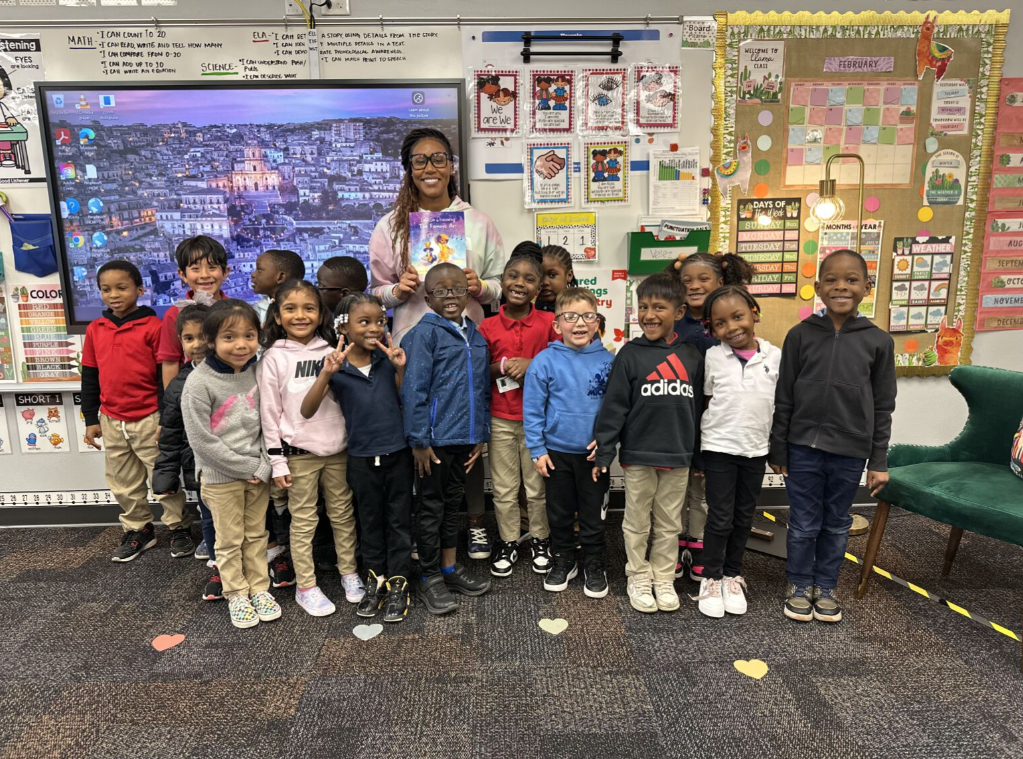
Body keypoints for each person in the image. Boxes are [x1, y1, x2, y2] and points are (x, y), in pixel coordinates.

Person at [369, 127, 505, 559]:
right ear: (408, 170)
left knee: (467, 433)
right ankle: (422, 530)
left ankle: (476, 522)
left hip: (467, 345)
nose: (430, 168)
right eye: (420, 161)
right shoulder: (390, 226)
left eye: (439, 159)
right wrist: (399, 290)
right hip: (413, 346)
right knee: (420, 436)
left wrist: (480, 286)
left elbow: (503, 285)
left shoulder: (478, 223)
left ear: (452, 166)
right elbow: (376, 292)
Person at [770, 249, 896, 624]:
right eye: (832, 279)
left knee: (837, 521)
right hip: (802, 447)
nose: (841, 286)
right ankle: (797, 583)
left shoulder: (878, 341)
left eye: (852, 279)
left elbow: (883, 405)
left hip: (851, 450)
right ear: (817, 288)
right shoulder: (799, 335)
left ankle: (825, 586)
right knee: (804, 521)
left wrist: (879, 460)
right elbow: (784, 395)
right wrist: (779, 444)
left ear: (867, 288)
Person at [593, 272, 703, 614]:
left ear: (679, 312)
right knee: (637, 521)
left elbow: (699, 411)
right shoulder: (629, 355)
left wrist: (698, 457)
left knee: (670, 523)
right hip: (638, 454)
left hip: (679, 455)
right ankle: (637, 575)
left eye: (659, 307)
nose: (649, 315)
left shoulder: (692, 357)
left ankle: (662, 577)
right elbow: (613, 408)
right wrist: (604, 452)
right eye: (643, 307)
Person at [302, 293, 414, 623]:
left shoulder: (387, 360)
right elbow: (307, 410)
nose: (375, 328)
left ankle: (399, 583)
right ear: (344, 327)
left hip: (398, 455)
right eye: (364, 322)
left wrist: (400, 369)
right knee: (369, 523)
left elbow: (402, 399)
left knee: (399, 521)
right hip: (361, 459)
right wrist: (326, 374)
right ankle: (375, 580)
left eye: (380, 321)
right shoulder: (336, 367)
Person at [258, 280, 363, 617]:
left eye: (309, 308)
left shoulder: (333, 350)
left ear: (321, 315)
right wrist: (277, 462)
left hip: (339, 451)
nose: (300, 315)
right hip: (299, 455)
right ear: (277, 314)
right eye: (290, 308)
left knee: (343, 516)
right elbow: (270, 414)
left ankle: (349, 572)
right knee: (303, 521)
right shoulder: (273, 358)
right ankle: (307, 586)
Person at [81, 261, 194, 562]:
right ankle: (138, 528)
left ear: (140, 290)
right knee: (122, 481)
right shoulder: (95, 329)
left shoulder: (154, 326)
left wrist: (164, 417)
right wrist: (91, 419)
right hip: (111, 419)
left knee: (163, 477)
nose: (114, 295)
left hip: (149, 417)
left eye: (122, 287)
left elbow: (164, 375)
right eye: (106, 289)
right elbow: (90, 377)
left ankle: (178, 527)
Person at [181, 300, 280, 630]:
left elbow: (270, 421)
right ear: (210, 340)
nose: (241, 345)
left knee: (256, 535)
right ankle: (236, 592)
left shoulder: (258, 371)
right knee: (228, 539)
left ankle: (259, 588)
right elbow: (202, 442)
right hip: (222, 476)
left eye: (249, 335)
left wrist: (264, 463)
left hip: (258, 473)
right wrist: (248, 467)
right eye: (229, 337)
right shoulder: (199, 383)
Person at [401, 263, 492, 615]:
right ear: (428, 298)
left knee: (453, 506)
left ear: (468, 294)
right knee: (430, 509)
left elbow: (482, 389)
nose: (451, 296)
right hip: (434, 443)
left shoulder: (476, 334)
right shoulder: (425, 334)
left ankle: (449, 568)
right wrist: (419, 441)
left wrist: (480, 436)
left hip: (466, 439)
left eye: (457, 289)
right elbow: (414, 390)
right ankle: (428, 577)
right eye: (441, 290)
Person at [690, 286, 780, 618]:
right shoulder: (713, 357)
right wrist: (698, 453)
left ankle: (732, 574)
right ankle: (711, 578)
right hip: (718, 448)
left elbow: (780, 406)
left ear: (754, 312)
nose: (731, 327)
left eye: (738, 317)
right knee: (720, 517)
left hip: (755, 450)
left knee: (744, 517)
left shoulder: (775, 356)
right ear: (712, 329)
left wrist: (777, 450)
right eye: (721, 323)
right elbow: (704, 403)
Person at [671, 252, 754, 583]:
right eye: (686, 281)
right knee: (676, 485)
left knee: (705, 487)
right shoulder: (673, 322)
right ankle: (676, 542)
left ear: (720, 282)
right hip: (678, 415)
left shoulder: (726, 324)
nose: (694, 286)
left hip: (716, 420)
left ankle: (701, 543)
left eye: (703, 279)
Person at [524, 287, 613, 596]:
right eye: (570, 316)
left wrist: (606, 444)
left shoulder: (609, 361)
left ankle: (593, 562)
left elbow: (616, 411)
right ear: (556, 324)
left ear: (597, 321)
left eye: (588, 316)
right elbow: (533, 410)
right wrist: (537, 450)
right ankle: (564, 559)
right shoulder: (544, 362)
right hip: (557, 454)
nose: (579, 323)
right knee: (559, 513)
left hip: (594, 458)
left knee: (593, 514)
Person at [478, 243, 555, 577]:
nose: (519, 283)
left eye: (528, 278)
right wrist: (506, 365)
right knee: (505, 488)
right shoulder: (487, 327)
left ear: (539, 288)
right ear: (502, 280)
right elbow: (479, 372)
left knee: (537, 488)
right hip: (500, 418)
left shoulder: (551, 323)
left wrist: (532, 364)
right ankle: (508, 540)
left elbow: (562, 364)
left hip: (538, 421)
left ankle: (540, 538)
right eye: (512, 276)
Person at [152, 304, 223, 600]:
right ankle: (220, 567)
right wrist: (165, 475)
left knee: (247, 519)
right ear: (180, 341)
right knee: (209, 518)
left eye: (203, 336)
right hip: (200, 467)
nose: (197, 345)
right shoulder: (178, 384)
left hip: (236, 464)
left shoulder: (234, 373)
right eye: (188, 338)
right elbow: (170, 436)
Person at [158, 235, 229, 388]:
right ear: (182, 274)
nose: (204, 275)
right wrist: (173, 404)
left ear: (225, 272)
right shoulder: (175, 314)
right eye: (195, 269)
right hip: (193, 391)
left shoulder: (235, 310)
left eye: (212, 267)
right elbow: (170, 361)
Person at [251, 249, 306, 325]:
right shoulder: (256, 311)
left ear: (280, 277)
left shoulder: (304, 312)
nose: (253, 274)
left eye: (259, 270)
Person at [536, 244, 576, 314]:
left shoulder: (578, 307)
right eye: (540, 275)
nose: (545, 282)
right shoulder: (530, 306)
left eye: (552, 275)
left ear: (569, 275)